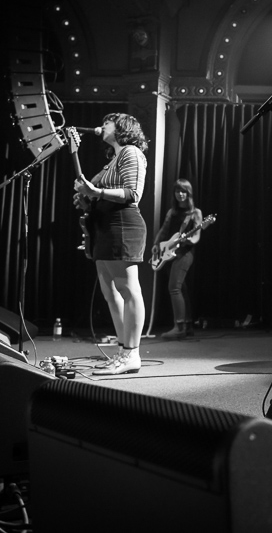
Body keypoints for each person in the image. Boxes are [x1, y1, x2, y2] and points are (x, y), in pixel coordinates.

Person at [74, 113, 149, 376]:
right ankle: (122, 351)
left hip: (122, 224)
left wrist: (95, 192)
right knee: (110, 293)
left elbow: (132, 193)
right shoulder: (113, 160)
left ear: (122, 128)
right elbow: (96, 197)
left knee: (128, 289)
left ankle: (132, 353)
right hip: (104, 225)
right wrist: (86, 198)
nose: (102, 125)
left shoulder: (131, 152)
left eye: (108, 122)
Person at [152, 178, 203, 341]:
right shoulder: (171, 212)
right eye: (177, 191)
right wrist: (156, 245)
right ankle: (187, 326)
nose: (180, 194)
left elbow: (196, 237)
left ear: (189, 194)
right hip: (170, 253)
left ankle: (179, 327)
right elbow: (164, 230)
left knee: (174, 287)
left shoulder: (195, 213)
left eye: (184, 192)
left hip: (185, 254)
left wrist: (185, 239)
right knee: (182, 288)